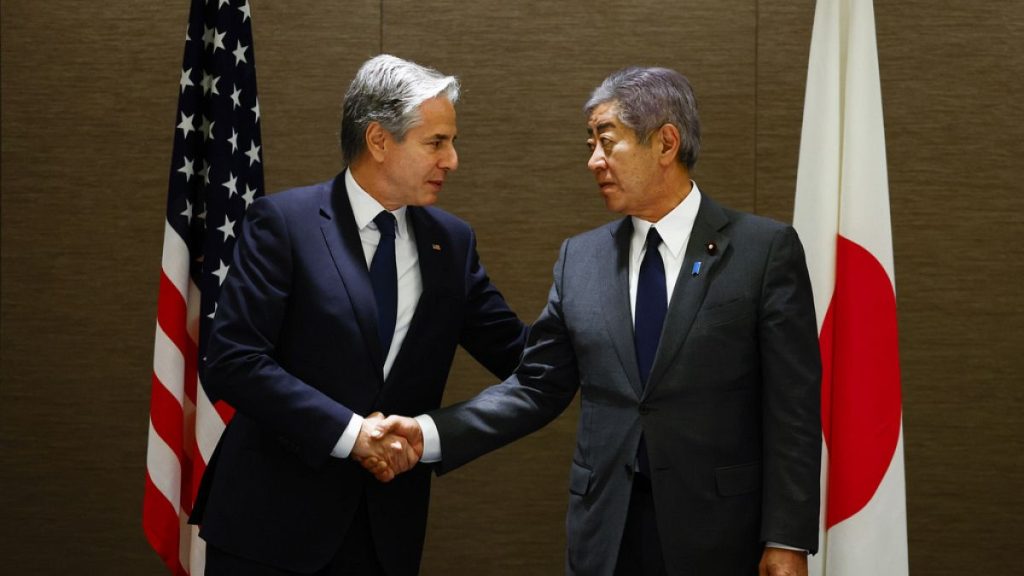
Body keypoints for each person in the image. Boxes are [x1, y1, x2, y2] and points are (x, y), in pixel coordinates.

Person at [370, 66, 822, 575]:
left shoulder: (763, 252)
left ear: (666, 143)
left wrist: (787, 538)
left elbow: (794, 410)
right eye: (590, 143)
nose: (594, 161)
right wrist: (426, 433)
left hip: (722, 534)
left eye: (607, 142)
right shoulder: (579, 260)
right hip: (607, 533)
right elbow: (536, 386)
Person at [189, 54, 528, 576]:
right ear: (379, 141)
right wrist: (352, 433)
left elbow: (523, 357)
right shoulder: (284, 224)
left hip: (383, 534)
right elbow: (233, 361)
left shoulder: (452, 245)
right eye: (436, 142)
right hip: (270, 528)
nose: (452, 159)